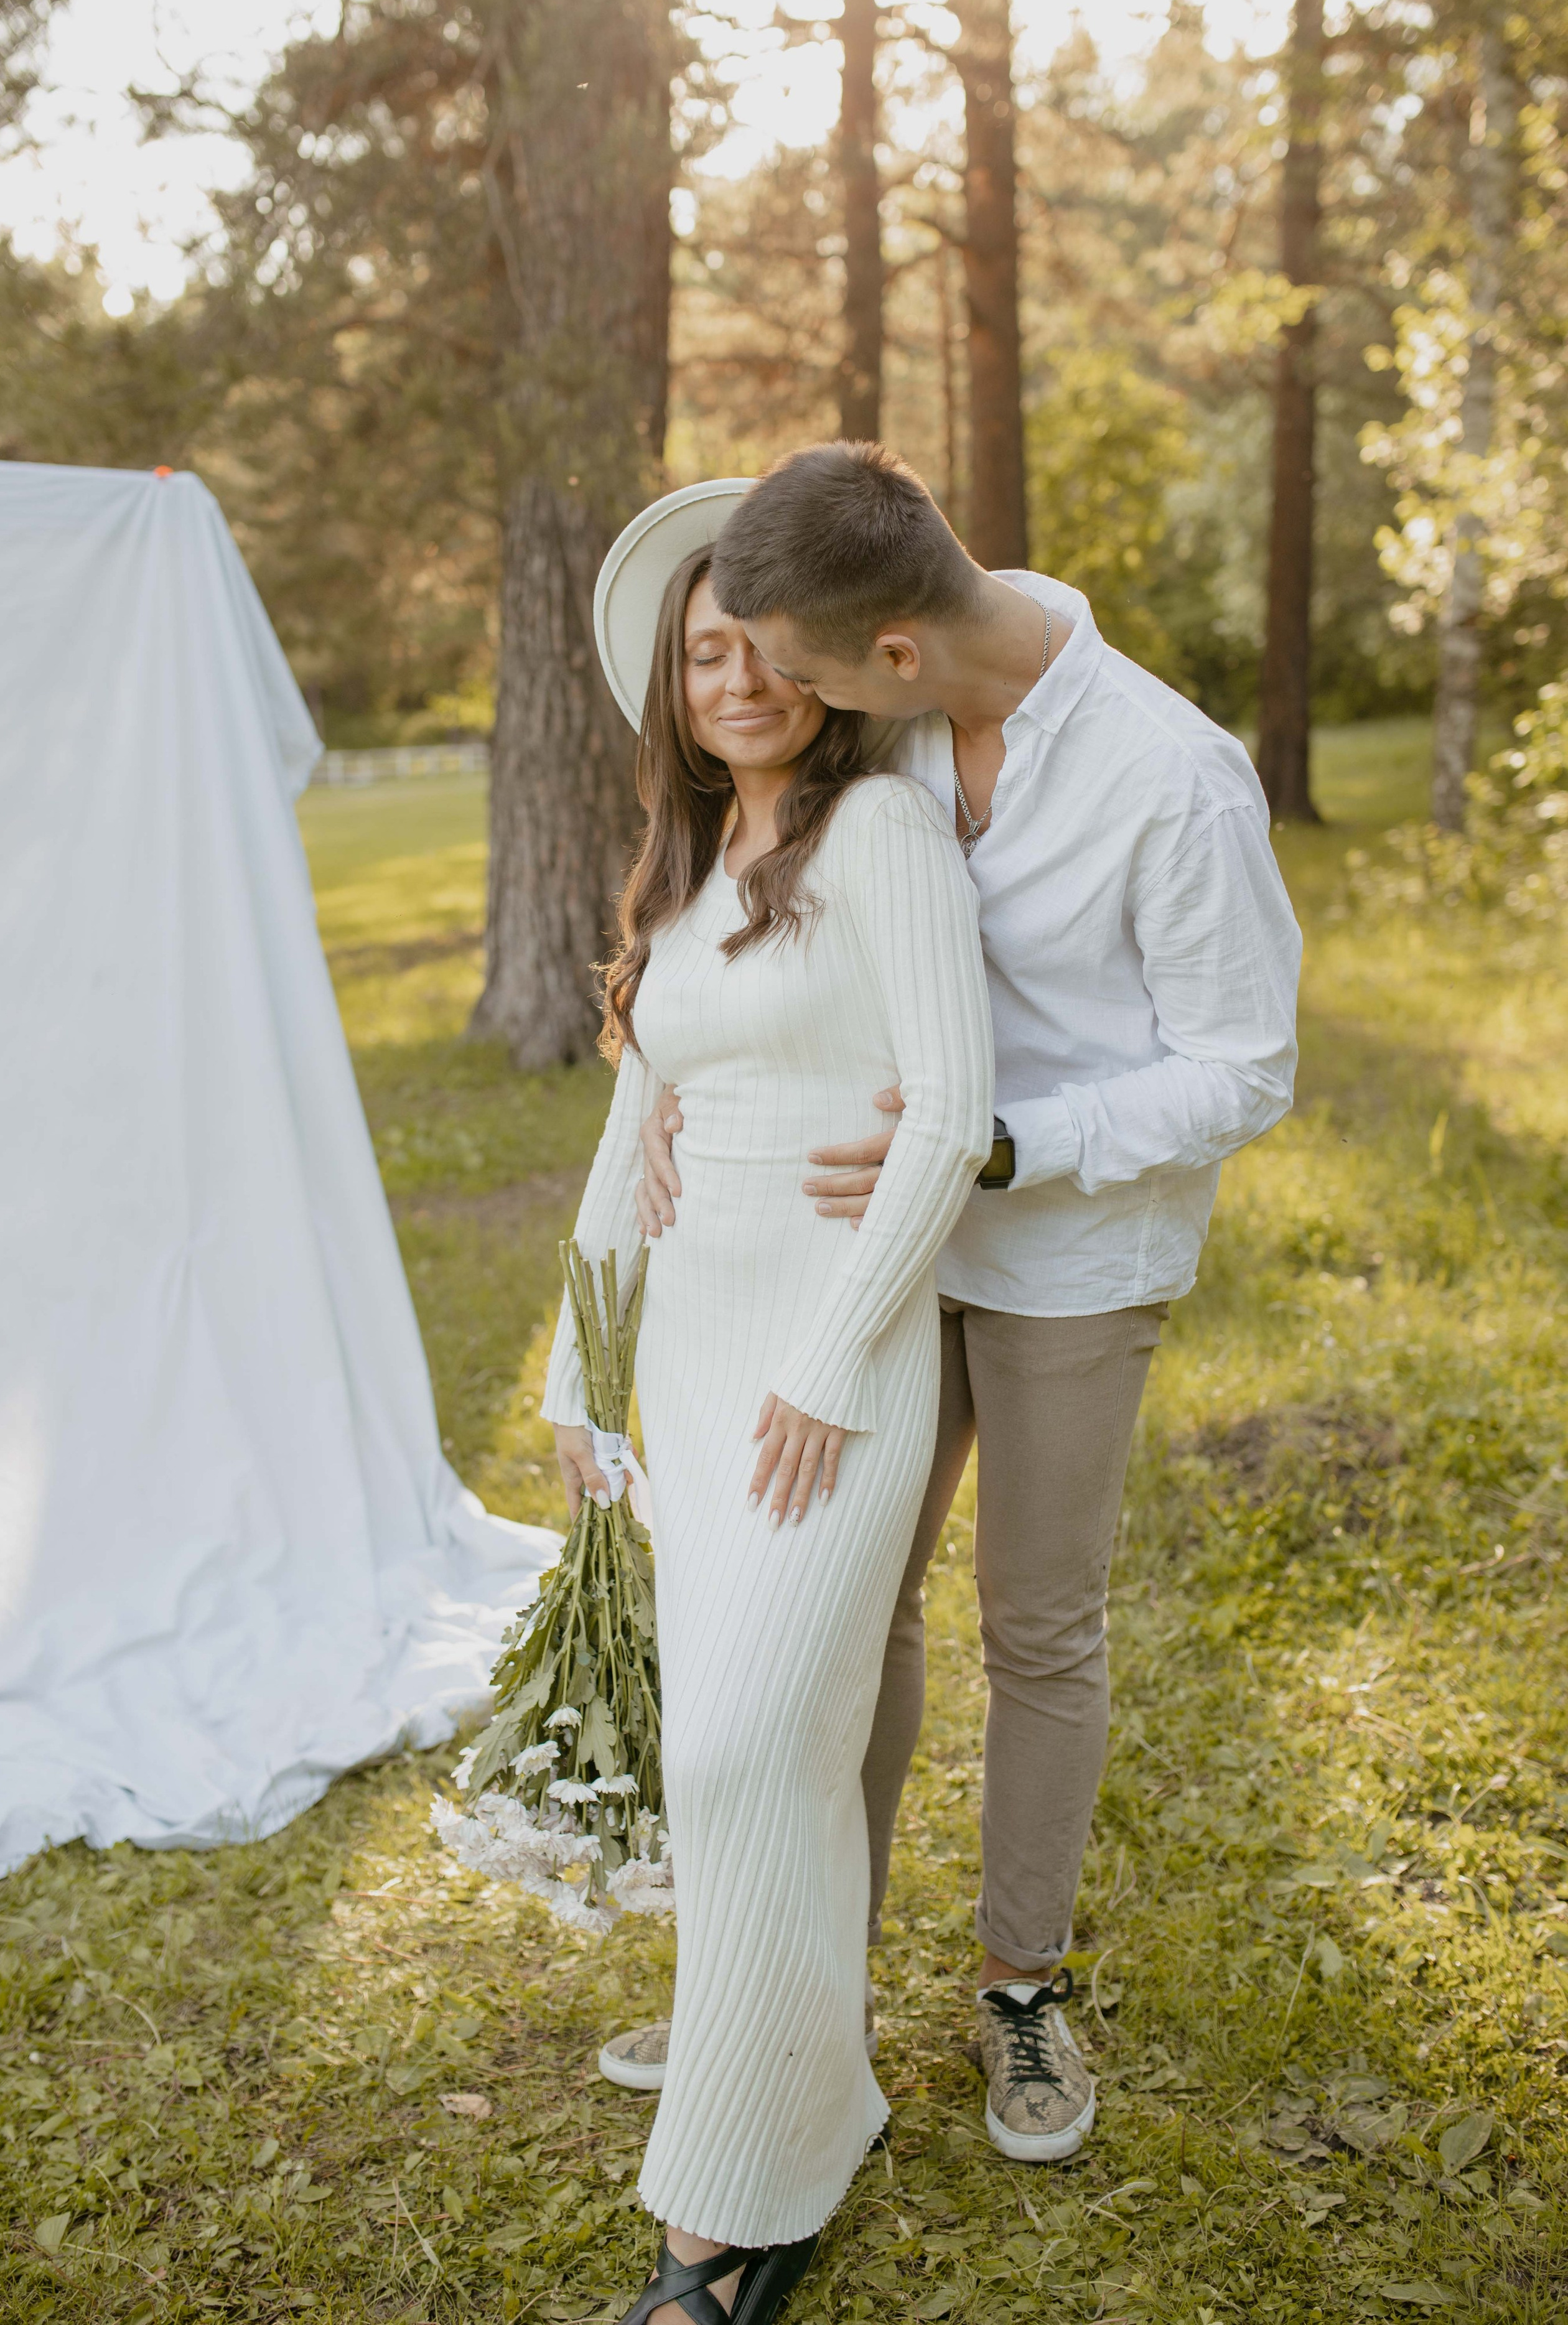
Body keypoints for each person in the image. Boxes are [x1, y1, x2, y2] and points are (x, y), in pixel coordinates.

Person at [611, 442, 1303, 2166]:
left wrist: (1007, 1145)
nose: (785, 695)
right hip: (879, 1247)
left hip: (1073, 1255)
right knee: (844, 1606)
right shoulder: (901, 707)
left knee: (1037, 1625)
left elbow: (1246, 1069)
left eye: (810, 673)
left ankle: (1017, 1986)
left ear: (895, 658)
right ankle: (790, 1991)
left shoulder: (1176, 780)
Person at [541, 493, 995, 2323]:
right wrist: (581, 1374)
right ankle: (815, 2095)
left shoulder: (882, 834)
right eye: (703, 651)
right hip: (688, 1352)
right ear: (675, 678)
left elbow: (951, 1119)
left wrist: (827, 1364)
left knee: (745, 1752)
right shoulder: (676, 872)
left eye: (760, 645)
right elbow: (617, 1141)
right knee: (747, 1763)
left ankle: (730, 2219)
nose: (737, 677)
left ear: (817, 663)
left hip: (836, 1363)